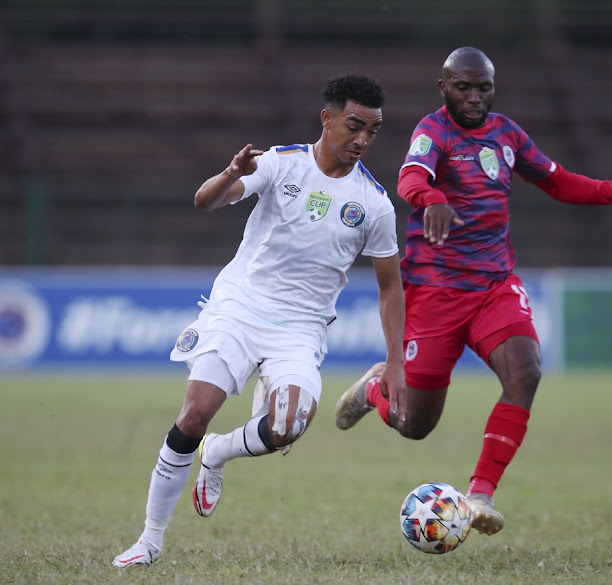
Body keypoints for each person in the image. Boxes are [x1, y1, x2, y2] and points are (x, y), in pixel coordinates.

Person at [335, 47, 612, 536]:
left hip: (493, 286)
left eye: (483, 87)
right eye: (464, 87)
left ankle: (480, 493)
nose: (475, 97)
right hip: (434, 291)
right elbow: (410, 177)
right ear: (444, 88)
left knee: (525, 372)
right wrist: (435, 198)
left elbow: (555, 180)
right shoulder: (433, 130)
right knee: (415, 426)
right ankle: (373, 390)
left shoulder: (506, 133)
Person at [112, 73, 406, 567]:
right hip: (241, 306)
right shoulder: (279, 162)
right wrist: (230, 173)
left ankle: (219, 453)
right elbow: (206, 201)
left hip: (302, 327)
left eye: (372, 132)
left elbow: (390, 286)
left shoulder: (374, 204)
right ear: (327, 118)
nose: (362, 140)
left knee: (289, 425)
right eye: (354, 126)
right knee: (194, 413)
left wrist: (394, 362)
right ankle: (150, 539)